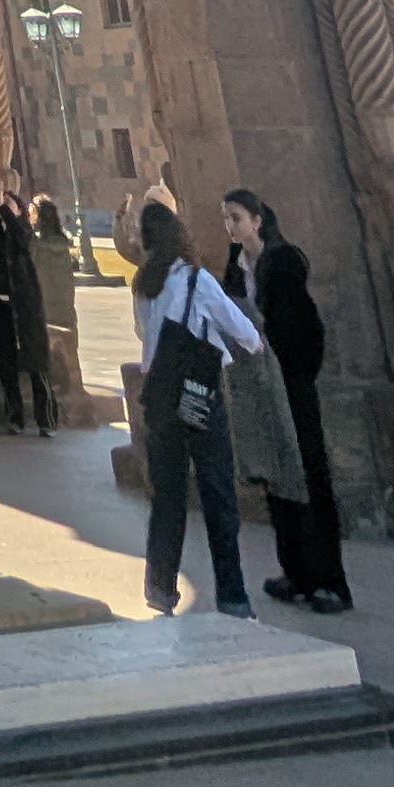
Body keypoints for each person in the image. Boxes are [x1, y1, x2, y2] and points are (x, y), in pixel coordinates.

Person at [219, 187, 352, 614]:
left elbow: (304, 325)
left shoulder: (283, 262)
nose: (230, 226)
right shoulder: (237, 266)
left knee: (309, 475)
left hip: (290, 380)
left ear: (257, 220)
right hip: (260, 382)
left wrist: (291, 366)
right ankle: (295, 570)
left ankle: (330, 581)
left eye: (237, 217)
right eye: (227, 218)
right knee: (277, 473)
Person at [130, 198, 259, 617]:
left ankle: (160, 585)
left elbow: (143, 333)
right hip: (199, 394)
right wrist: (257, 344)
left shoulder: (143, 285)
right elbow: (239, 328)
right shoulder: (196, 280)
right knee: (217, 490)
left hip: (160, 396)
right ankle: (232, 593)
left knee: (167, 494)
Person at [0, 178, 56, 432]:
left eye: (9, 203)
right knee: (6, 365)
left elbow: (19, 235)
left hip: (25, 308)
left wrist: (5, 207)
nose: (3, 206)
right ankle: (15, 418)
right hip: (0, 307)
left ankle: (46, 420)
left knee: (36, 366)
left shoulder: (24, 233)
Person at [28, 193, 81, 419]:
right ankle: (74, 399)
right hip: (66, 308)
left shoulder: (36, 246)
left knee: (47, 360)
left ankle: (50, 407)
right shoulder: (62, 245)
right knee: (69, 356)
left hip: (43, 309)